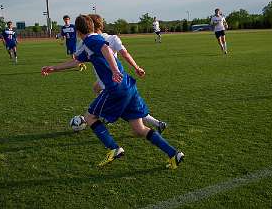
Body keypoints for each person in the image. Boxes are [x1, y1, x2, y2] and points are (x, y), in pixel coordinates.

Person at [41, 15, 184, 169]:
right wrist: (54, 68)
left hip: (115, 88)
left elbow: (105, 48)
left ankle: (113, 148)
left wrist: (115, 70)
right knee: (138, 128)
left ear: (77, 31)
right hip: (128, 86)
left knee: (89, 117)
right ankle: (173, 153)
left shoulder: (91, 40)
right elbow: (77, 61)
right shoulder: (89, 43)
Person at [88, 14, 167, 132]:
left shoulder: (90, 41)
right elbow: (125, 54)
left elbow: (78, 58)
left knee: (129, 110)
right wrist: (137, 67)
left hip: (110, 81)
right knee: (96, 87)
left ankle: (105, 114)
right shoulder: (113, 38)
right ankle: (158, 123)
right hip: (118, 77)